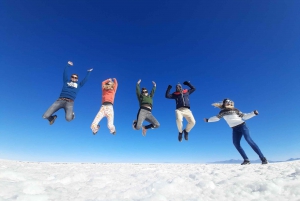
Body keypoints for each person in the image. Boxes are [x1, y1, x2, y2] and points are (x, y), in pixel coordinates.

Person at [204, 98, 268, 165]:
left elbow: (244, 116)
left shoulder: (235, 110)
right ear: (224, 103)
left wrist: (253, 113)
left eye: (230, 101)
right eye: (227, 102)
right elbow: (216, 118)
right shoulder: (222, 112)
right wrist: (208, 120)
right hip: (234, 129)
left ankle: (263, 158)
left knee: (248, 140)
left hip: (243, 126)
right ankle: (246, 160)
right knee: (236, 143)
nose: (229, 102)